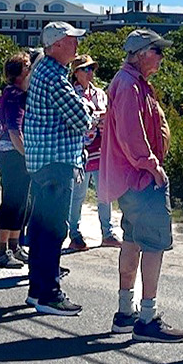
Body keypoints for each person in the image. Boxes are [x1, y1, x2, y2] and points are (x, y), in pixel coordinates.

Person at [100, 29, 183, 343]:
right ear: (141, 53)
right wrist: (152, 166)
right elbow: (131, 135)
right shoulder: (128, 85)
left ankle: (126, 313)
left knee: (133, 241)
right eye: (157, 50)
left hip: (131, 180)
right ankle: (147, 317)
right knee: (153, 245)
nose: (161, 57)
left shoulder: (131, 83)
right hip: (140, 179)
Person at [21, 21, 96, 316]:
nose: (76, 45)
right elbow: (80, 118)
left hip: (42, 162)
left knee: (40, 228)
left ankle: (37, 289)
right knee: (54, 229)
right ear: (56, 45)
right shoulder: (55, 75)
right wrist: (90, 111)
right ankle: (49, 293)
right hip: (57, 162)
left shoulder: (43, 69)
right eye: (71, 40)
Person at [66, 55, 111, 251]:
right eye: (85, 69)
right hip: (79, 150)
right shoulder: (71, 94)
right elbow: (76, 119)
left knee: (105, 193)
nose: (90, 72)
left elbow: (109, 114)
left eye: (92, 68)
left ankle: (107, 232)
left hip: (101, 149)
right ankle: (74, 234)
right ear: (76, 73)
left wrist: (99, 118)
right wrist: (96, 118)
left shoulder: (100, 93)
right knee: (78, 195)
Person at [0, 53, 33, 269]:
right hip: (11, 154)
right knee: (11, 202)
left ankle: (15, 245)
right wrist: (28, 156)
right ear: (18, 72)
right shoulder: (14, 95)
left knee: (22, 202)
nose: (30, 69)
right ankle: (2, 251)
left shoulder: (19, 93)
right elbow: (15, 130)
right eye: (27, 66)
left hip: (15, 153)